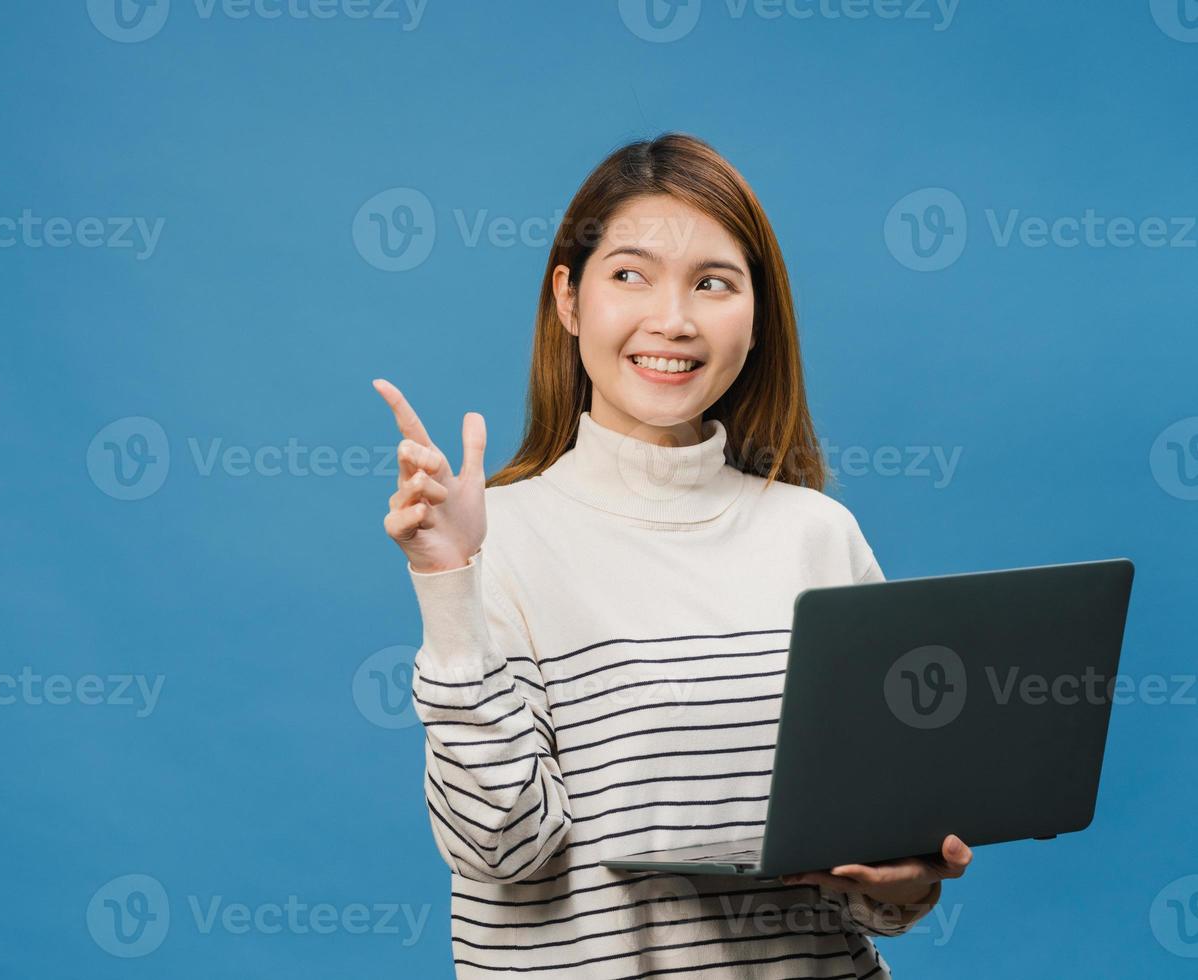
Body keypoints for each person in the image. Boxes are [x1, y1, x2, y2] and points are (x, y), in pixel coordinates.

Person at [373, 132, 973, 979]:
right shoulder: (492, 538)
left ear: (758, 316)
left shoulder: (817, 535)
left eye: (713, 284)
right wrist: (446, 579)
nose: (673, 320)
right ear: (568, 300)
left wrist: (909, 879)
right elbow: (500, 851)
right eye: (629, 275)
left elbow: (880, 890)